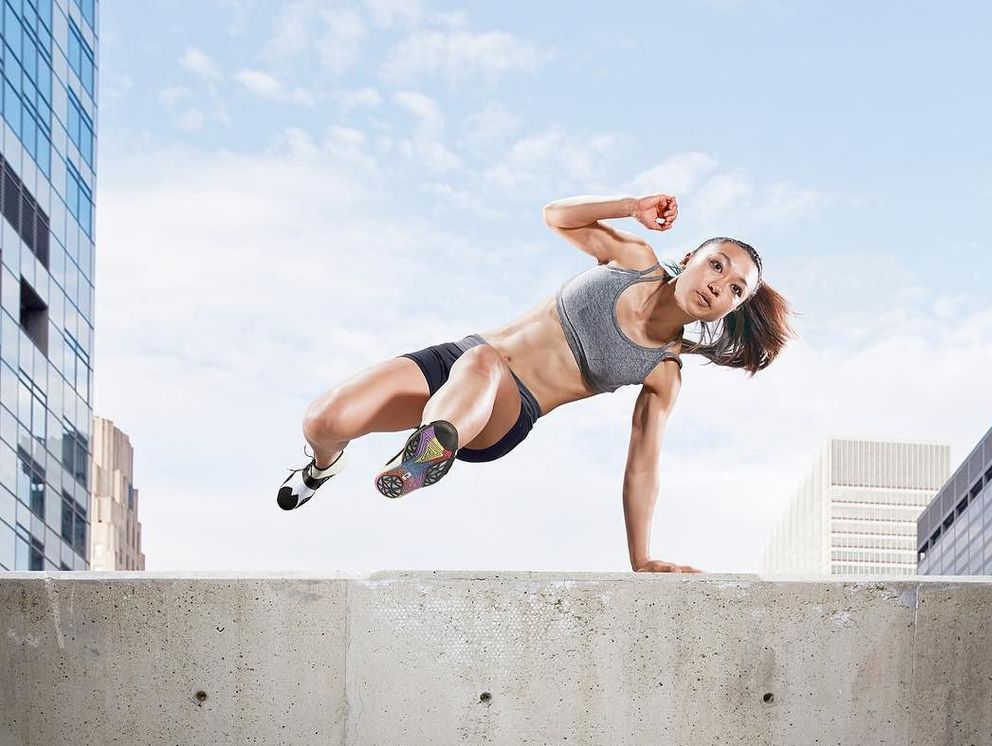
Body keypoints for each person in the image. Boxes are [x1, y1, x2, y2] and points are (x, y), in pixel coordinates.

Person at [277, 193, 795, 572]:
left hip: (504, 411)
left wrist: (641, 559)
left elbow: (642, 466)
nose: (717, 285)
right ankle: (323, 468)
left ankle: (427, 452)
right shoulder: (633, 260)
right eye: (716, 265)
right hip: (454, 361)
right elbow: (555, 216)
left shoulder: (662, 369)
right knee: (324, 420)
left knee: (485, 363)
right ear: (689, 259)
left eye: (734, 289)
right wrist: (630, 206)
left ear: (731, 309)